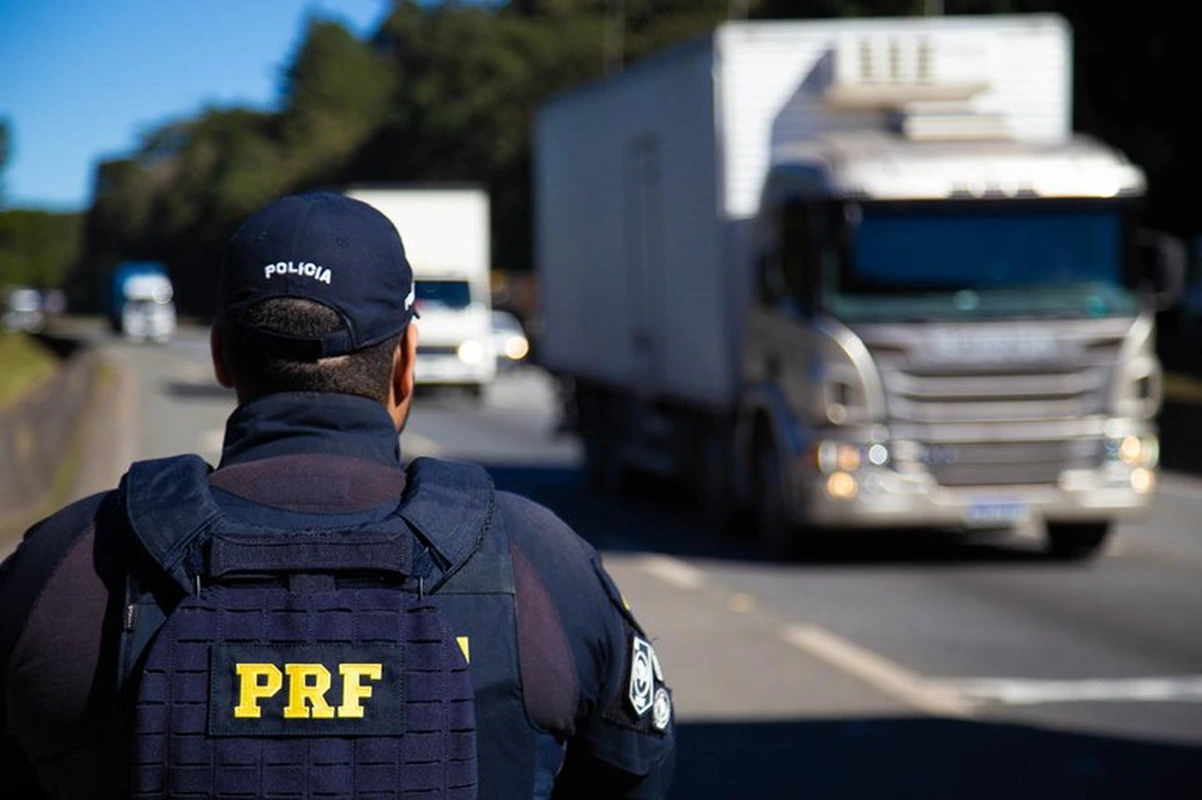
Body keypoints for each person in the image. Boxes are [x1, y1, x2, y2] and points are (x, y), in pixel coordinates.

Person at [0, 192, 676, 799]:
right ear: (406, 361)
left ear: (220, 356)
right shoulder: (540, 565)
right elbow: (638, 771)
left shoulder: (64, 567)